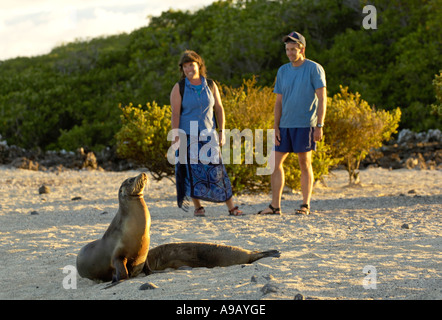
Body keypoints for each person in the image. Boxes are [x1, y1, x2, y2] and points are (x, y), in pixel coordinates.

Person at [257, 31, 327, 215]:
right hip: (285, 125)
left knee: (304, 163)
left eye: (293, 49)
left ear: (302, 49)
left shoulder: (314, 68)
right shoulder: (282, 70)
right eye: (287, 49)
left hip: (306, 124)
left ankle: (305, 205)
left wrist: (320, 125)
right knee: (274, 162)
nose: (289, 53)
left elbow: (322, 99)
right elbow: (278, 101)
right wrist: (276, 126)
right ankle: (275, 206)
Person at [170, 50, 243, 217]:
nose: (189, 69)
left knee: (218, 171)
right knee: (192, 172)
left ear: (199, 65)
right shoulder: (179, 87)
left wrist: (222, 131)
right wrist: (175, 136)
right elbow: (175, 113)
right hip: (188, 136)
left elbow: (219, 108)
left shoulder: (210, 84)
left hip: (209, 134)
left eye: (191, 65)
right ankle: (198, 207)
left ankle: (231, 207)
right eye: (185, 66)